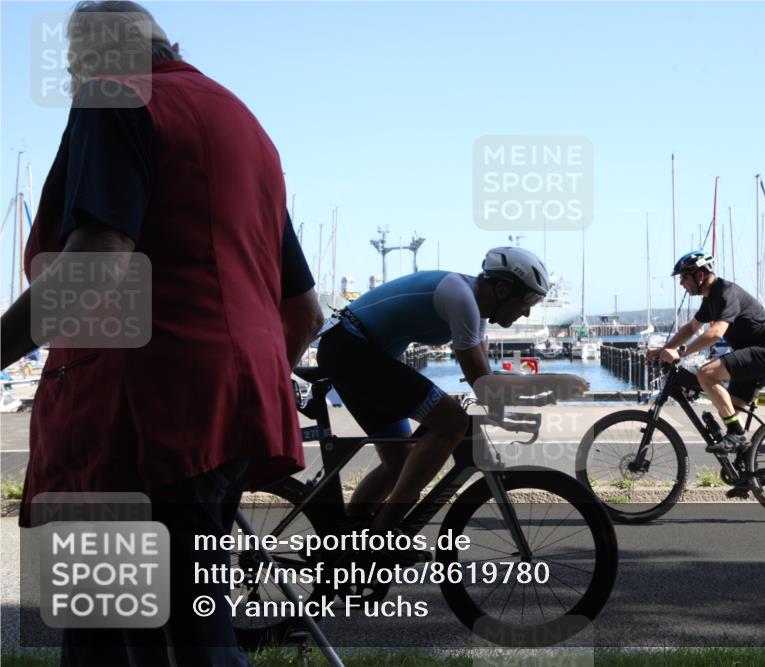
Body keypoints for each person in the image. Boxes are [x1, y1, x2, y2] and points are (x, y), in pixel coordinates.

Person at [0, 2, 323, 664]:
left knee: (113, 633)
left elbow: (98, 259)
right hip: (232, 415)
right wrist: (237, 390)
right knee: (188, 620)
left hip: (144, 419)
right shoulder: (245, 126)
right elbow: (306, 313)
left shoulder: (115, 93)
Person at [316, 247, 587, 535]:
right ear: (504, 289)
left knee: (400, 465)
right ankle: (385, 531)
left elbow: (486, 384)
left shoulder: (477, 311)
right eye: (529, 299)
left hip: (354, 352)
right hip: (351, 350)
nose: (529, 310)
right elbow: (483, 385)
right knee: (453, 423)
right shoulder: (461, 299)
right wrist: (551, 383)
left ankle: (346, 539)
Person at [647, 251, 765, 457]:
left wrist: (680, 353)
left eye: (684, 278)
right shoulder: (710, 299)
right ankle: (746, 472)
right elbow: (691, 328)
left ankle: (736, 435)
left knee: (706, 373)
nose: (681, 284)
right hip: (752, 352)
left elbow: (715, 333)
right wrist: (662, 350)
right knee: (730, 409)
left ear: (700, 276)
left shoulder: (726, 292)